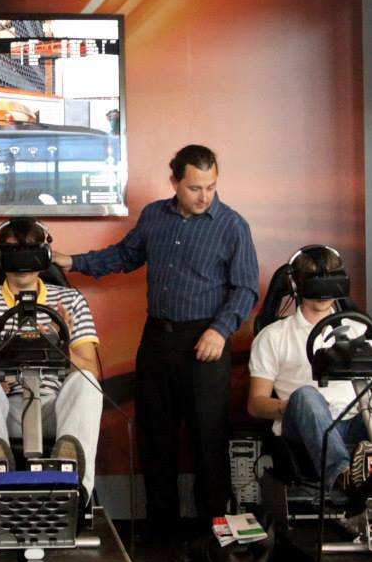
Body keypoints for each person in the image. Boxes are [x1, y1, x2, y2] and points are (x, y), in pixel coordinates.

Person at [54, 145, 259, 534]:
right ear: (174, 182)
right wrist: (72, 262)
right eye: (195, 188)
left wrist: (220, 329)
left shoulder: (232, 226)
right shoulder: (154, 216)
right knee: (155, 436)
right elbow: (124, 256)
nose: (204, 196)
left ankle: (212, 534)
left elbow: (247, 288)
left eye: (211, 187)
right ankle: (161, 529)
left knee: (208, 440)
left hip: (206, 340)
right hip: (157, 340)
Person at [247, 245, 372, 492]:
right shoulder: (273, 336)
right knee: (306, 395)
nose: (323, 292)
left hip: (359, 421)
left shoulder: (359, 329)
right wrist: (290, 406)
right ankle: (343, 476)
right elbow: (255, 404)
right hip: (306, 427)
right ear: (296, 285)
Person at [0, 218, 102, 507]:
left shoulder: (71, 301)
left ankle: (75, 485)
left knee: (86, 382)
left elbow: (92, 371)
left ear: (44, 256)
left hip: (55, 407)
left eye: (31, 252)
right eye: (14, 253)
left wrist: (59, 344)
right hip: (1, 408)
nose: (23, 262)